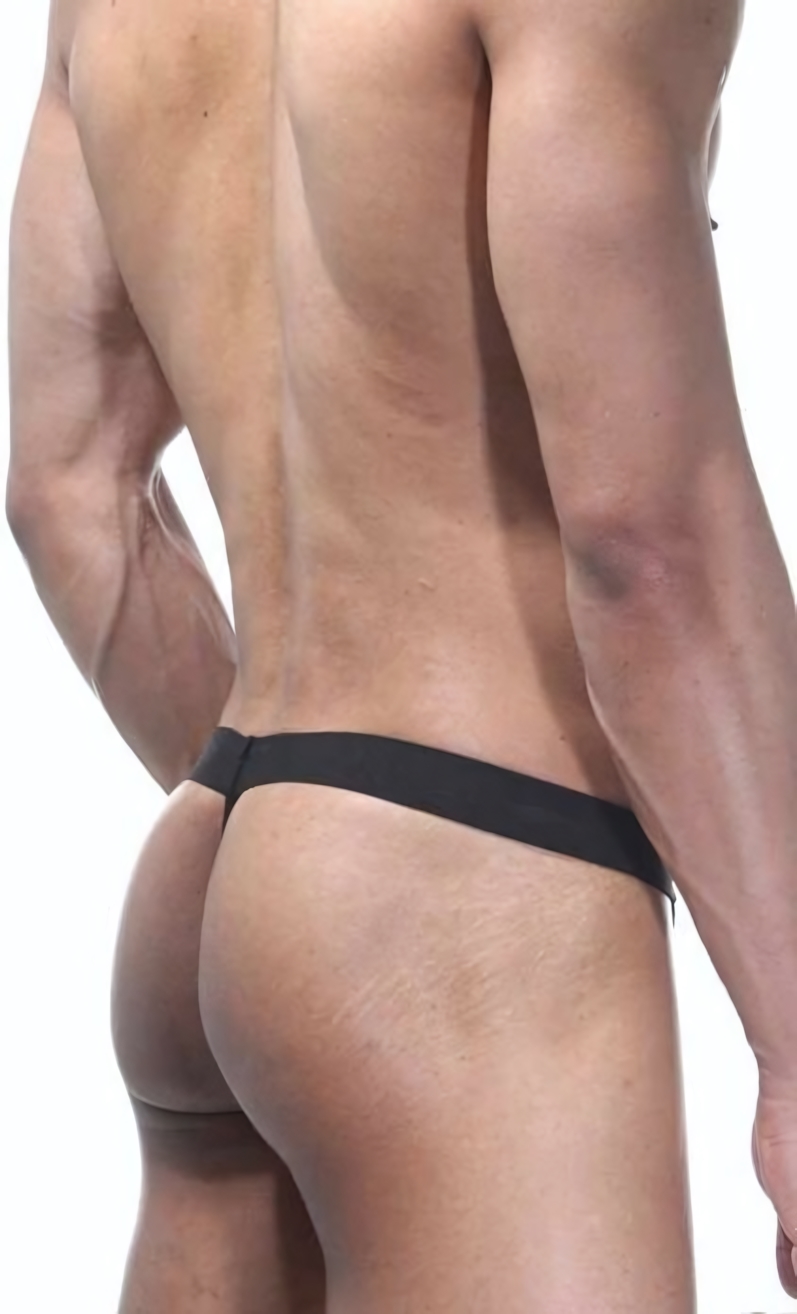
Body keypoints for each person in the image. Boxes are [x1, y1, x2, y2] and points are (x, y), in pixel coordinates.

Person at [8, 0, 797, 1310]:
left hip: (215, 848)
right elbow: (650, 541)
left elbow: (66, 490)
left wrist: (300, 841)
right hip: (469, 893)